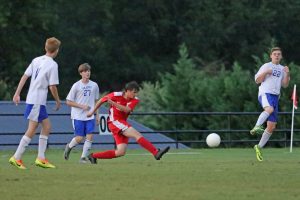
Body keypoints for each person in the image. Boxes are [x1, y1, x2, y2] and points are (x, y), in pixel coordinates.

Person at [9, 37, 61, 169]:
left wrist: (17, 93)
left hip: (34, 100)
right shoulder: (53, 65)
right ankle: (16, 157)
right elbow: (52, 86)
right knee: (31, 129)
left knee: (47, 126)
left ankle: (41, 158)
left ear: (45, 48)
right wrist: (57, 100)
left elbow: (25, 76)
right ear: (57, 51)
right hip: (37, 101)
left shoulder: (36, 60)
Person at [86, 81, 170, 164]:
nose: (135, 95)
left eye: (136, 93)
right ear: (128, 91)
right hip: (114, 122)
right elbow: (101, 100)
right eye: (134, 92)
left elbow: (127, 109)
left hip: (121, 123)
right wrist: (92, 111)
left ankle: (93, 156)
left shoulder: (135, 100)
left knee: (120, 152)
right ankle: (155, 152)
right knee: (137, 135)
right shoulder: (116, 95)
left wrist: (113, 103)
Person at [250, 47, 290, 161]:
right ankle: (257, 126)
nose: (277, 55)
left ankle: (258, 147)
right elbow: (257, 80)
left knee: (271, 127)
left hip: (275, 96)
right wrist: (266, 72)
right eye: (275, 54)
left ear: (281, 57)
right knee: (269, 109)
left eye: (279, 54)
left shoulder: (283, 69)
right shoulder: (266, 66)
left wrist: (287, 74)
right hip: (265, 93)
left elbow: (285, 85)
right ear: (271, 56)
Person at [63, 63, 100, 163]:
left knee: (90, 135)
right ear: (80, 73)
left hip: (90, 116)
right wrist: (82, 106)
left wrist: (97, 115)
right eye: (85, 71)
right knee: (79, 138)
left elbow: (97, 101)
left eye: (88, 71)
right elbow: (68, 102)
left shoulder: (94, 85)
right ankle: (69, 147)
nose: (87, 73)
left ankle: (83, 157)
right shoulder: (76, 86)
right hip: (78, 116)